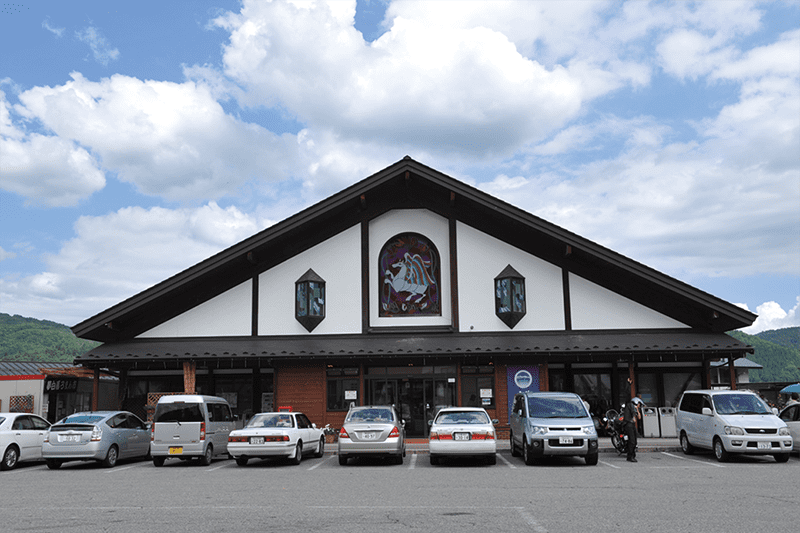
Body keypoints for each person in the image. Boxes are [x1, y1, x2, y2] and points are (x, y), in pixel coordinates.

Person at [623, 396, 643, 462]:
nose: (639, 406)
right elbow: (634, 415)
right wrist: (635, 410)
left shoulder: (635, 408)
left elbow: (639, 417)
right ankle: (630, 456)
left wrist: (637, 409)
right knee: (632, 441)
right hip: (628, 424)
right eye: (639, 404)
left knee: (635, 441)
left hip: (632, 425)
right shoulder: (630, 406)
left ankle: (632, 455)